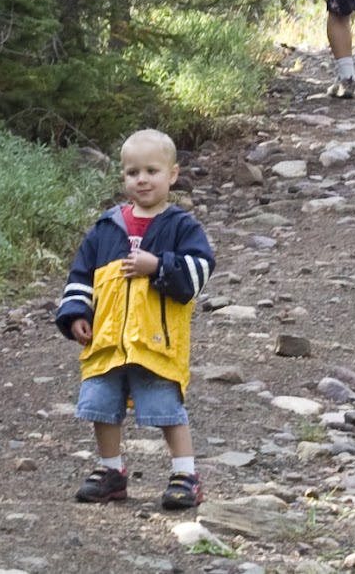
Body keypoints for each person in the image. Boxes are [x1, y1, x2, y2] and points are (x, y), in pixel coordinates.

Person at [55, 129, 216, 509]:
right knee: (101, 403)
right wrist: (77, 313)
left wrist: (159, 266)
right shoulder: (106, 227)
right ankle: (110, 471)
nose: (142, 179)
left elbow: (200, 271)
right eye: (132, 172)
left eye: (151, 171)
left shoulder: (181, 226)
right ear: (123, 176)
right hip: (107, 340)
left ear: (172, 175)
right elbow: (81, 275)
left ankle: (185, 474)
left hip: (156, 341)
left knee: (165, 406)